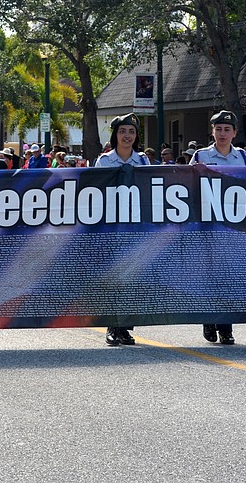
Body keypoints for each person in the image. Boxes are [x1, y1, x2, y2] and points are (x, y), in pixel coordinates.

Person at [189, 110, 246, 345]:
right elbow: (185, 185)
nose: (222, 133)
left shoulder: (241, 156)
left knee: (229, 276)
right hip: (206, 225)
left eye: (227, 129)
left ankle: (226, 327)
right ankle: (209, 320)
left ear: (235, 133)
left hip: (231, 226)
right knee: (209, 276)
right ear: (212, 131)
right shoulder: (200, 155)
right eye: (218, 129)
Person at [94, 113, 150, 346]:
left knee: (132, 279)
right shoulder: (104, 161)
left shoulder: (143, 161)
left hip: (136, 228)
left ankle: (125, 327)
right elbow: (94, 193)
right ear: (115, 134)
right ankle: (112, 325)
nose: (127, 136)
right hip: (111, 228)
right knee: (114, 278)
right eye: (122, 131)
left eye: (131, 132)